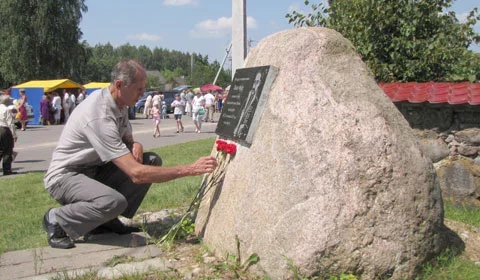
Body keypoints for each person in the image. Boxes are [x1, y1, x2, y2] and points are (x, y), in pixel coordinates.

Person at [42, 59, 217, 249]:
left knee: (151, 160)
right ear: (119, 85)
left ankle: (103, 222)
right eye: (139, 89)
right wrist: (190, 169)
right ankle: (56, 218)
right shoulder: (98, 114)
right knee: (112, 201)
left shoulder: (120, 104)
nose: (143, 94)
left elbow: (127, 139)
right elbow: (136, 173)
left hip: (93, 170)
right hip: (66, 176)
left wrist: (136, 144)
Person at [0, 94, 17, 175]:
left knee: (0, 150)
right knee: (7, 150)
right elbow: (11, 123)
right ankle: (6, 170)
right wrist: (14, 134)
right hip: (4, 129)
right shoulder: (6, 109)